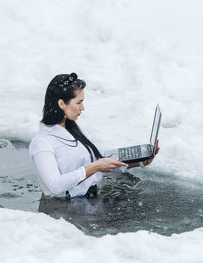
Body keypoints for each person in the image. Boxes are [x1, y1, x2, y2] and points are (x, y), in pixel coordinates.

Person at [29, 72, 159, 199]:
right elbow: (55, 185)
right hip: (63, 210)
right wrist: (94, 167)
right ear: (61, 104)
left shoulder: (73, 129)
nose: (83, 108)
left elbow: (101, 161)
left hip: (89, 199)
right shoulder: (42, 142)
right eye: (78, 103)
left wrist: (140, 162)